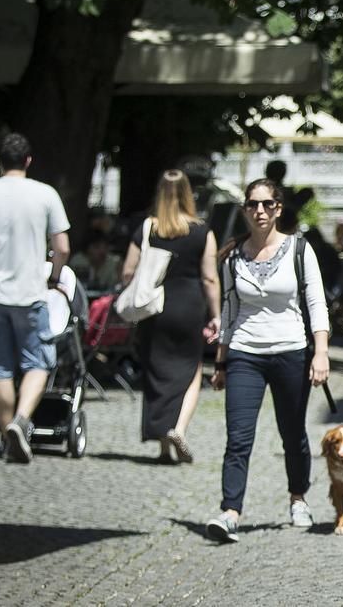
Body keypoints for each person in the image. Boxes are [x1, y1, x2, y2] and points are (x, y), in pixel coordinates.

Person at [204, 178, 331, 543]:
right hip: (246, 352)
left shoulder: (299, 250)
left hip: (291, 350)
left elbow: (317, 304)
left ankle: (298, 497)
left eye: (267, 205)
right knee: (238, 437)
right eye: (253, 205)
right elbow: (229, 310)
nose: (259, 211)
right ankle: (230, 512)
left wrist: (320, 352)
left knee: (292, 432)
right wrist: (222, 361)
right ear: (244, 210)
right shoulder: (233, 256)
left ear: (278, 209)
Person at [0, 132, 70, 463]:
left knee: (0, 367)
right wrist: (52, 275)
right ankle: (21, 421)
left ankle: (10, 437)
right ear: (28, 161)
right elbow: (62, 247)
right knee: (38, 363)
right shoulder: (45, 194)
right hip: (31, 292)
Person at [121, 170, 221, 464]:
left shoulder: (147, 227)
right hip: (189, 307)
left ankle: (164, 447)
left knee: (156, 373)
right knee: (190, 372)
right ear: (188, 193)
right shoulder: (203, 231)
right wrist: (215, 315)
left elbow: (128, 270)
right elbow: (210, 278)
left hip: (155, 308)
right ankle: (178, 428)